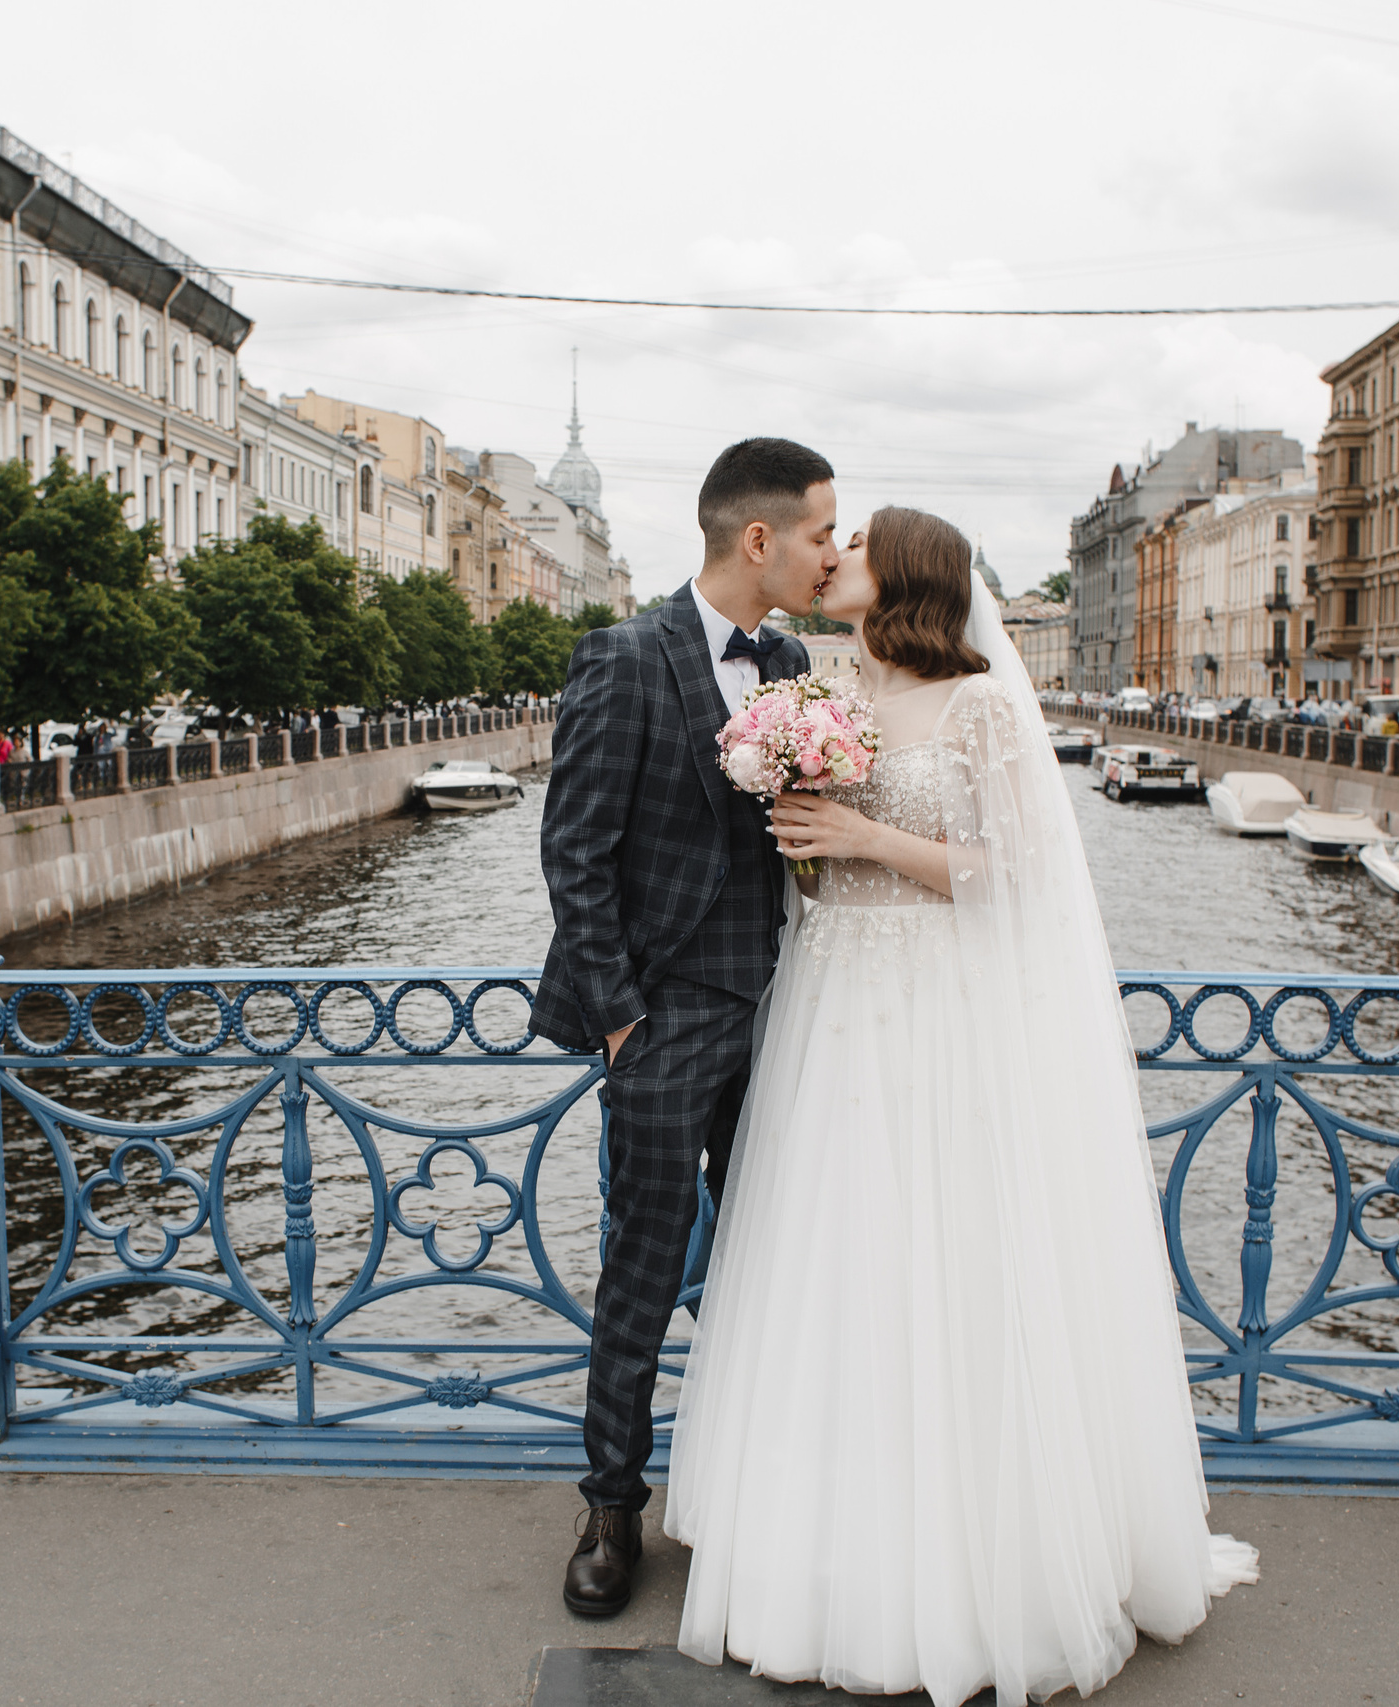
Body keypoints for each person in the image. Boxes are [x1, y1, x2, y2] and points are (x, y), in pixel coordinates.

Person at [668, 507, 1254, 1705]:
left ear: (911, 578)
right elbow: (818, 856)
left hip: (937, 1013)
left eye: (856, 547)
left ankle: (971, 1566)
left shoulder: (981, 703)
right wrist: (806, 840)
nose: (832, 560)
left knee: (950, 1262)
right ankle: (828, 1557)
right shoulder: (821, 690)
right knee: (835, 1265)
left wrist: (858, 829)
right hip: (831, 1009)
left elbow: (1013, 874)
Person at [533, 438, 838, 1620]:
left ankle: (757, 1492)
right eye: (818, 531)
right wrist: (620, 1023)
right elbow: (574, 855)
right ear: (756, 539)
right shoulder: (620, 657)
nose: (828, 552)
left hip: (788, 1017)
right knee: (645, 1273)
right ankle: (612, 1507)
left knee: (776, 1266)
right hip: (663, 1025)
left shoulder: (794, 659)